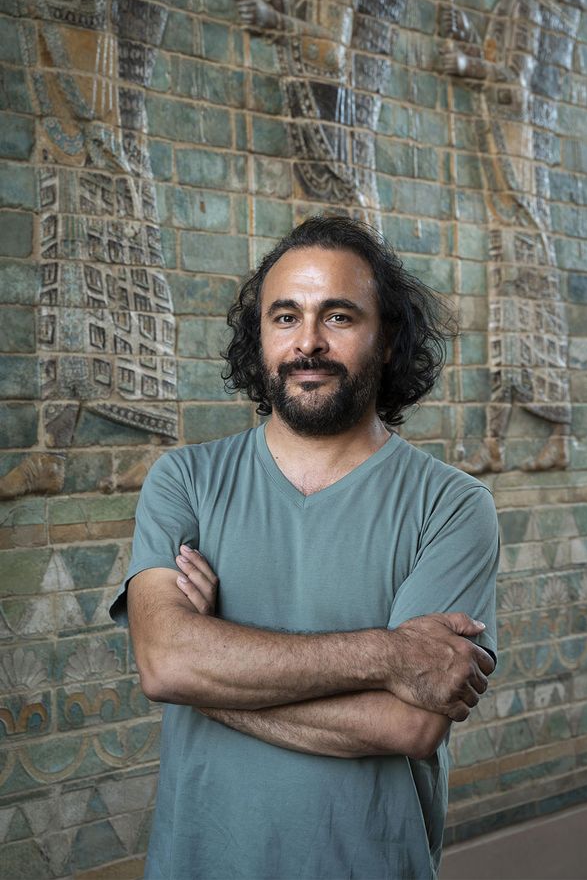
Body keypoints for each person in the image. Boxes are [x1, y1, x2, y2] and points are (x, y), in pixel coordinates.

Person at [108, 216, 499, 879]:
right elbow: (165, 662)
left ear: (388, 339)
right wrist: (389, 654)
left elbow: (408, 726)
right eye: (285, 317)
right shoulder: (185, 481)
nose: (308, 342)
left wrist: (208, 673)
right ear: (259, 336)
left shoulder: (453, 506)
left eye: (338, 317)